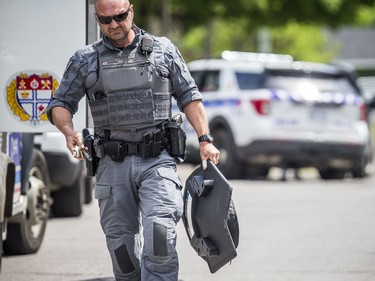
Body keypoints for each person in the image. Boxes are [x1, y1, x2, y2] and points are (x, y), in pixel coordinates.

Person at [46, 0, 220, 280]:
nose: (114, 24)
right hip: (112, 164)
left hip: (157, 159)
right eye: (106, 20)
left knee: (160, 236)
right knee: (122, 252)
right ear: (97, 19)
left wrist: (205, 138)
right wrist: (68, 131)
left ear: (131, 12)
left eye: (120, 16)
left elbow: (190, 96)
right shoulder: (85, 59)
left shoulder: (163, 50)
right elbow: (61, 103)